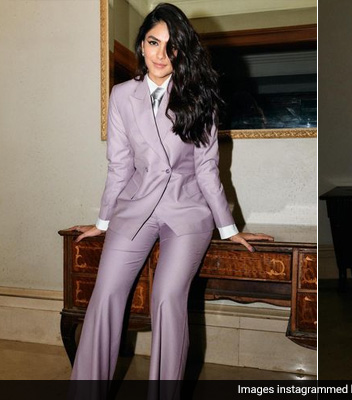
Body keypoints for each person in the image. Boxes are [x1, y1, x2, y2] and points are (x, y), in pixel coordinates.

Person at [70, 3, 273, 381]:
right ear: (141, 45)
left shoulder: (200, 97)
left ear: (182, 51)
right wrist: (103, 220)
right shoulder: (121, 96)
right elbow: (119, 166)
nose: (161, 54)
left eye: (171, 45)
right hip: (135, 208)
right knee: (105, 295)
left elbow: (207, 169)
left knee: (167, 299)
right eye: (153, 42)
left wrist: (229, 229)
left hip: (187, 211)